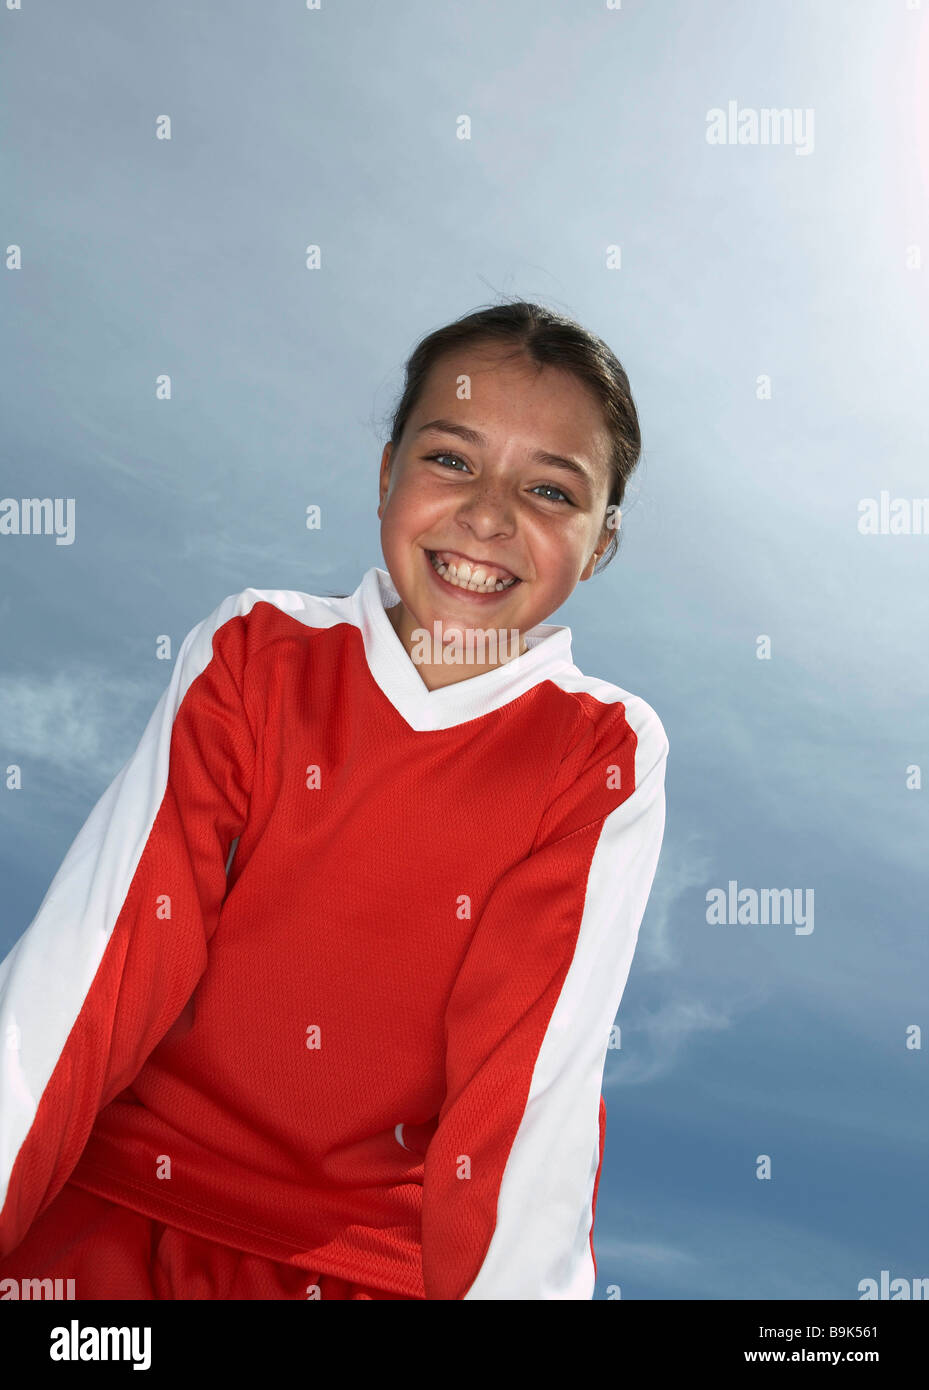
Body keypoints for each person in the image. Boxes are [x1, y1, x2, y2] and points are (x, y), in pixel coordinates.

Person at [0, 299, 669, 1301]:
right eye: (450, 460)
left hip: (365, 1270)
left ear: (601, 539)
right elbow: (97, 970)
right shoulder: (255, 652)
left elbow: (528, 1088)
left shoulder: (601, 750)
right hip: (118, 1214)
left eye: (547, 488)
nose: (487, 515)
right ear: (385, 471)